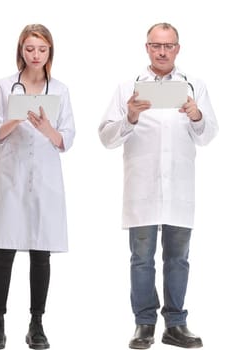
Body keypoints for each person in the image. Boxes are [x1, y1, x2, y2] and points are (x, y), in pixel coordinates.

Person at [99, 22, 217, 350]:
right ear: (147, 48)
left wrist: (196, 115)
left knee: (178, 258)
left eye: (168, 46)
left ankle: (176, 325)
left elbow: (208, 136)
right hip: (142, 191)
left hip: (179, 189)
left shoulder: (195, 85)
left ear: (178, 48)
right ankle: (144, 325)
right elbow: (106, 137)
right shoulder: (128, 88)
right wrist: (130, 117)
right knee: (141, 258)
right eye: (156, 45)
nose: (162, 51)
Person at [0, 24, 75, 350]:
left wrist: (47, 128)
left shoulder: (59, 90)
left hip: (44, 180)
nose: (35, 55)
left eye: (42, 49)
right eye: (30, 48)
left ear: (50, 52)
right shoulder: (5, 87)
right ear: (21, 49)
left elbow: (67, 138)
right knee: (3, 251)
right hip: (10, 178)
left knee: (40, 252)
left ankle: (36, 324)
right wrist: (13, 120)